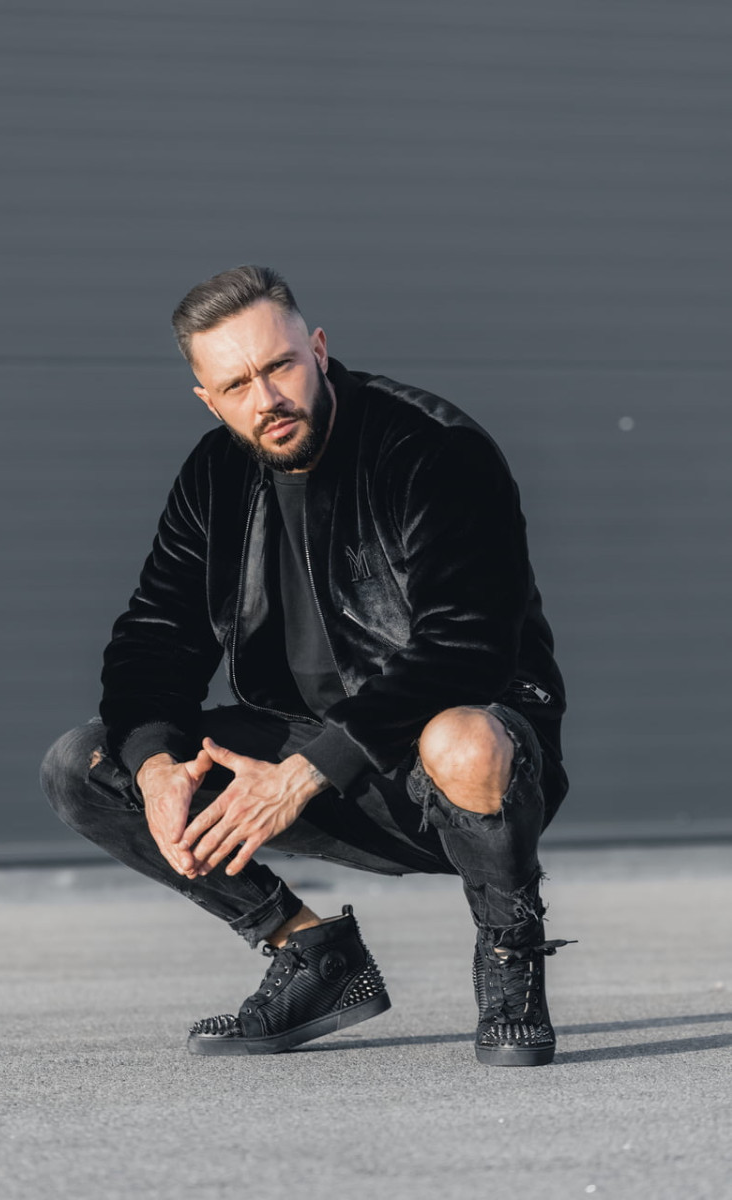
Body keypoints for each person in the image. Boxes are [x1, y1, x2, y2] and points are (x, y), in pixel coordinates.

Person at [41, 264, 571, 1066]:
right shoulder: (215, 477)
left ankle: (510, 957)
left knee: (461, 738)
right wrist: (155, 769)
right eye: (237, 384)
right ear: (209, 399)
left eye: (279, 366)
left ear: (318, 350)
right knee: (83, 762)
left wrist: (303, 774)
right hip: (308, 753)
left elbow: (466, 645)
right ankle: (312, 953)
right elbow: (155, 637)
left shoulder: (431, 448)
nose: (266, 398)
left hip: (455, 761)